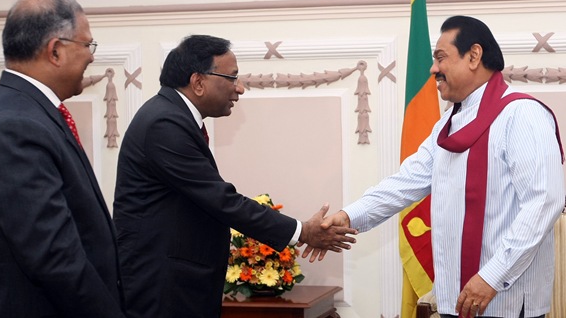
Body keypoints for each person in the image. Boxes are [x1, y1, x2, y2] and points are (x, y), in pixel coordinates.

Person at [306, 16, 565, 318]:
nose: (433, 69)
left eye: (441, 58)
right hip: (456, 298)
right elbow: (403, 184)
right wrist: (348, 215)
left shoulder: (522, 115)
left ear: (474, 55)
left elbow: (544, 202)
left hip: (506, 299)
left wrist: (491, 276)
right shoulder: (447, 124)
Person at [113, 34, 357, 318]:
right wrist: (302, 231)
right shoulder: (163, 123)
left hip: (177, 283)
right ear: (198, 82)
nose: (240, 88)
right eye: (232, 77)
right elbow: (221, 200)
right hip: (163, 288)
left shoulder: (171, 116)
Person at [0, 0, 126, 317]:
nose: (92, 57)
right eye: (87, 44)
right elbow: (54, 256)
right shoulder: (16, 125)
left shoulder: (28, 110)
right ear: (56, 50)